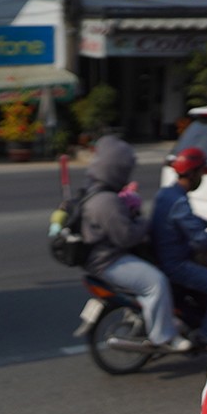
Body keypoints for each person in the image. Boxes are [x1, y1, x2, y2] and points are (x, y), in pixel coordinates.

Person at [81, 136, 192, 355]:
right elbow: (127, 237)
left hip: (101, 256)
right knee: (156, 283)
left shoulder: (96, 190)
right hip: (108, 261)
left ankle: (163, 318)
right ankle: (164, 337)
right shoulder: (106, 201)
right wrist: (144, 222)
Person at [151, 146, 207, 339]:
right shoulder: (179, 202)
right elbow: (199, 238)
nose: (202, 177)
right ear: (192, 174)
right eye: (201, 173)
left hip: (164, 257)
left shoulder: (167, 194)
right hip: (176, 264)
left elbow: (186, 220)